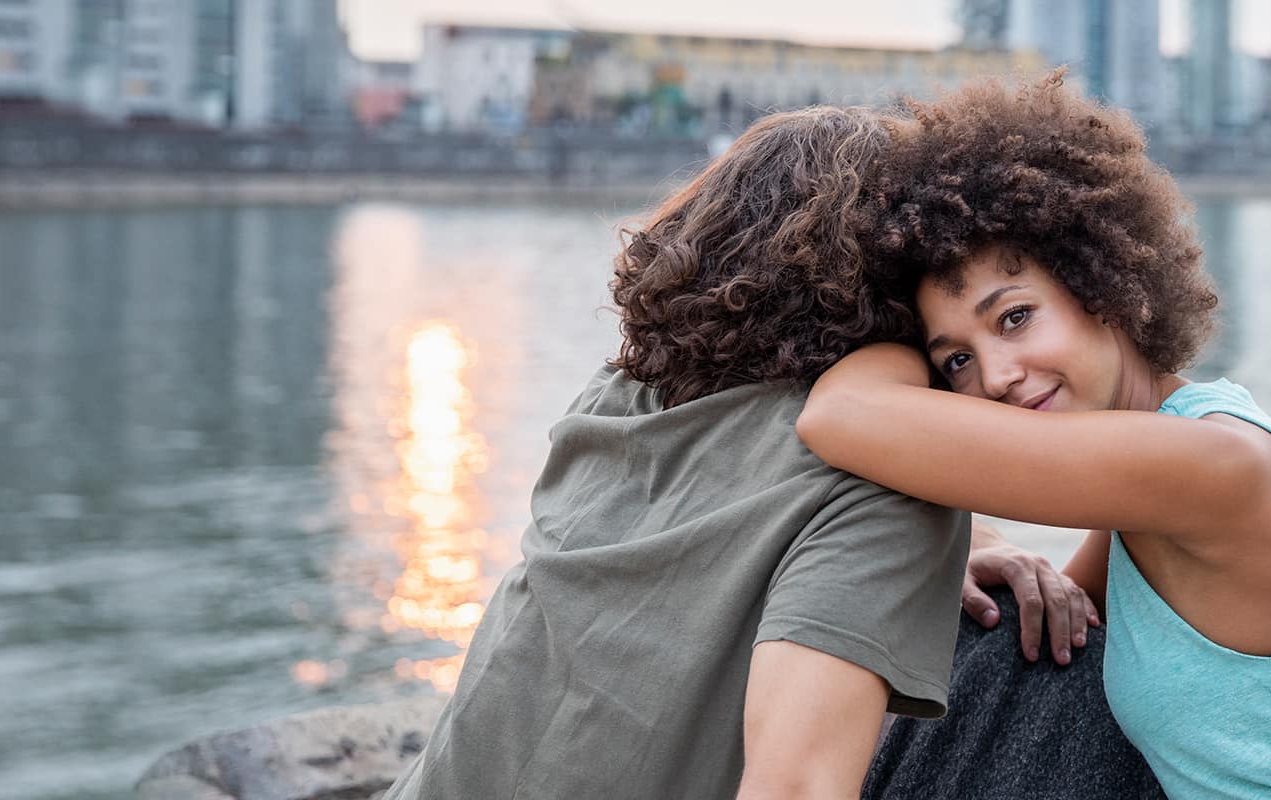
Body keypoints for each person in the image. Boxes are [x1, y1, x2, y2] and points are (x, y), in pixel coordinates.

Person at [798, 72, 1271, 799]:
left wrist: (900, 349)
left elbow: (838, 416)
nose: (994, 375)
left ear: (1103, 286)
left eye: (1015, 317)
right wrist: (976, 550)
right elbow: (1059, 608)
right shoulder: (1153, 477)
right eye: (955, 359)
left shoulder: (1208, 464)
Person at [380, 105, 971, 800]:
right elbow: (797, 787)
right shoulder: (874, 485)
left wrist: (959, 551)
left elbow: (708, 530)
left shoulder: (620, 395)